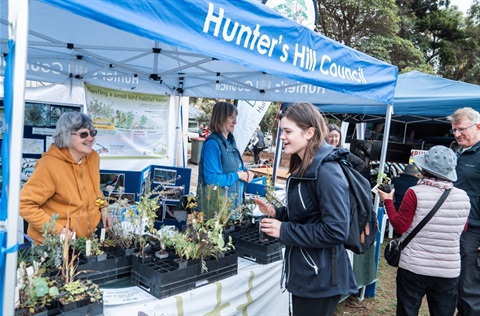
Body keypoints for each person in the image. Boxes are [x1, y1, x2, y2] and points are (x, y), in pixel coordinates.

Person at [253, 102, 357, 316]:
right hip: (308, 274)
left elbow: (336, 230)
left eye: (288, 131)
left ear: (309, 132)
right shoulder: (305, 166)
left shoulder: (327, 172)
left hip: (321, 280)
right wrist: (276, 213)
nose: (282, 137)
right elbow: (308, 214)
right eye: (282, 130)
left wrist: (284, 230)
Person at [377, 145, 470, 316]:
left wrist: (388, 201)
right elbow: (462, 229)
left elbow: (400, 226)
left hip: (414, 267)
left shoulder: (415, 192)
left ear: (425, 168)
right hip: (448, 269)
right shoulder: (463, 196)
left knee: (407, 311)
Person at [20, 112, 111, 244]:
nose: (90, 138)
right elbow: (25, 205)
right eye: (83, 134)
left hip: (83, 241)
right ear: (66, 135)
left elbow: (95, 192)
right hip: (53, 244)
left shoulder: (93, 158)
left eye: (92, 133)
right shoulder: (48, 165)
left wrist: (104, 208)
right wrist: (58, 230)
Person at [447, 107, 480, 316]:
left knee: (469, 292)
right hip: (452, 228)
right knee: (449, 286)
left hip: (474, 233)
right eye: (454, 130)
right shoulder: (457, 152)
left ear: (478, 127)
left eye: (461, 129)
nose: (457, 134)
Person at [197, 101, 254, 209]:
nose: (235, 122)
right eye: (232, 117)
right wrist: (238, 175)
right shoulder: (212, 145)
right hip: (217, 210)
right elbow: (212, 179)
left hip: (232, 207)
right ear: (221, 118)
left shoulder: (230, 142)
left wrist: (246, 171)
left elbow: (233, 165)